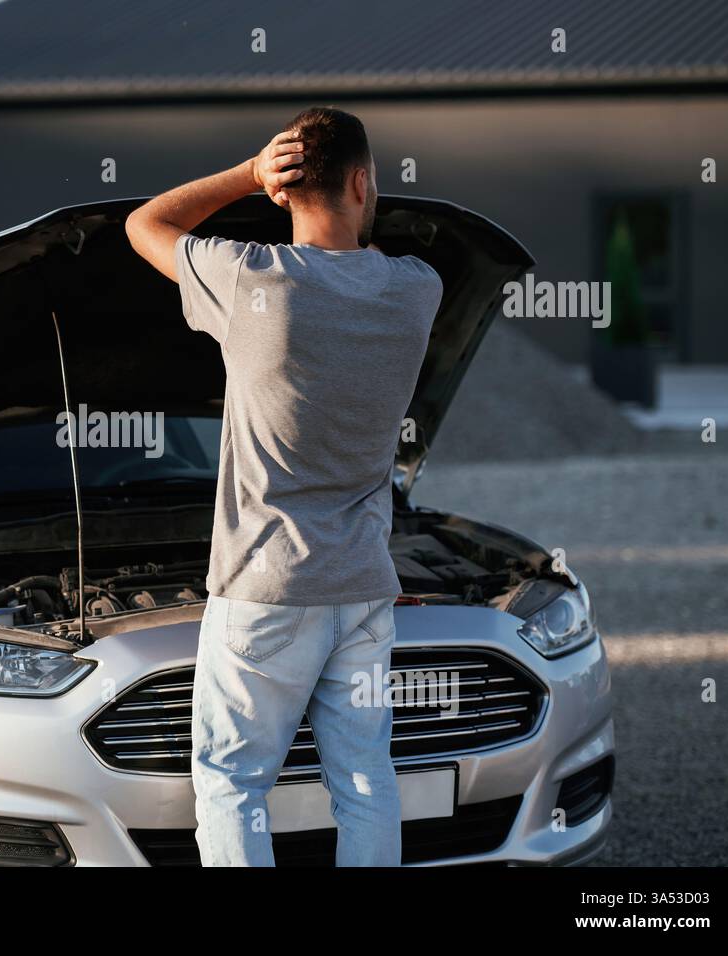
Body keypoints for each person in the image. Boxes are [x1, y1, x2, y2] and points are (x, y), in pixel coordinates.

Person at [124, 107, 443, 866]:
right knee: (366, 778)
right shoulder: (417, 289)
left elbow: (144, 224)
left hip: (266, 591)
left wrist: (246, 174)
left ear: (282, 188)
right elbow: (377, 256)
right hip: (364, 588)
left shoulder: (250, 280)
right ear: (363, 183)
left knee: (234, 782)